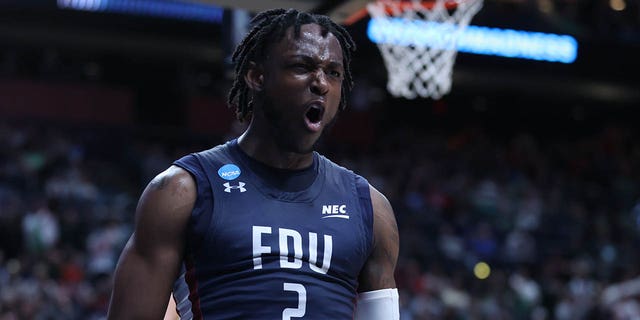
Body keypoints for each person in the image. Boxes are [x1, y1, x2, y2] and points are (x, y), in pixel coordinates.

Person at [107, 8, 399, 319]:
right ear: (257, 76)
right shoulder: (181, 191)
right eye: (302, 66)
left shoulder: (370, 208)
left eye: (333, 73)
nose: (321, 83)